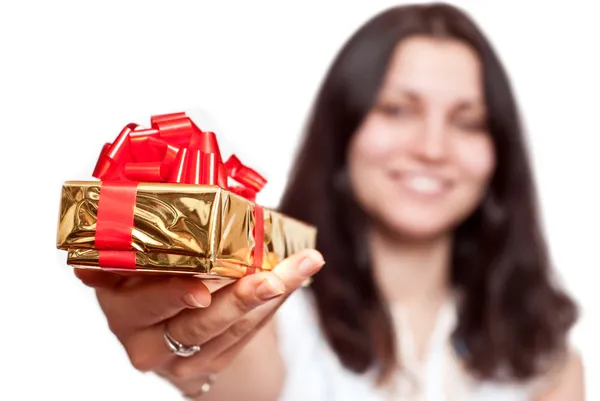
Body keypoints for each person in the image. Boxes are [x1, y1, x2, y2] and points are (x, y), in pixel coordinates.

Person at [75, 3, 585, 400]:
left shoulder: (547, 362)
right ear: (343, 130)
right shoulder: (280, 305)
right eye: (397, 109)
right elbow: (229, 374)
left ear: (500, 152)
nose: (433, 148)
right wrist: (187, 363)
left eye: (468, 121)